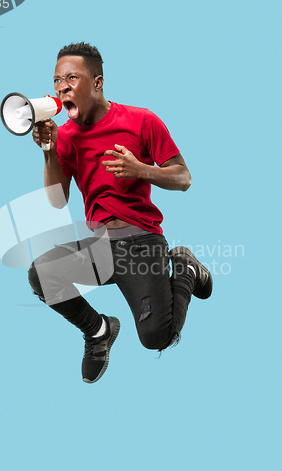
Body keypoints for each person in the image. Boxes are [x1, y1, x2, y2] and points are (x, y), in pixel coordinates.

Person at [28, 42, 212, 384]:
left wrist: (141, 169)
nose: (61, 87)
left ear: (97, 82)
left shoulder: (141, 120)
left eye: (71, 77)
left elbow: (184, 178)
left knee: (157, 337)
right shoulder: (64, 136)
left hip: (142, 242)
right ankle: (99, 333)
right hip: (100, 247)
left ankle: (185, 269)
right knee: (42, 274)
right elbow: (56, 201)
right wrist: (48, 152)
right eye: (56, 80)